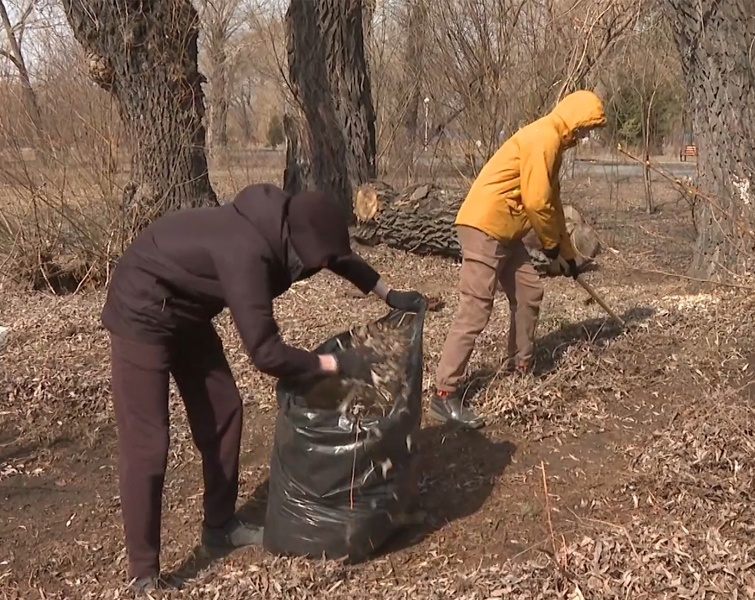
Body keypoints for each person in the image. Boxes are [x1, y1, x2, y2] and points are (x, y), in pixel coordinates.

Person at [101, 183, 425, 592]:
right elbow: (266, 353)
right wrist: (335, 364)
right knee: (147, 441)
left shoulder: (290, 223)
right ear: (295, 246)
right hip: (142, 307)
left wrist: (387, 293)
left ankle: (220, 527)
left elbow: (335, 254)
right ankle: (143, 573)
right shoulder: (246, 254)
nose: (315, 269)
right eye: (313, 264)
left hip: (188, 309)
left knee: (224, 410)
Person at [430, 90, 607, 429]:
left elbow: (553, 205)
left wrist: (568, 256)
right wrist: (550, 248)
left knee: (529, 292)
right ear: (576, 120)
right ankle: (444, 393)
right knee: (475, 308)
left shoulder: (553, 142)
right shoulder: (544, 137)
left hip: (506, 232)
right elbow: (537, 202)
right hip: (485, 226)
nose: (586, 135)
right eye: (586, 128)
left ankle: (519, 367)